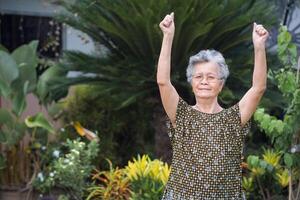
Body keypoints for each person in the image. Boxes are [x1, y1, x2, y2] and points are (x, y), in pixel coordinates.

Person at [156, 12, 269, 199]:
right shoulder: (182, 115)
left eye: (211, 77)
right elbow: (163, 82)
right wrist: (168, 37)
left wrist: (259, 47)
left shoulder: (234, 118)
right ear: (191, 83)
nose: (204, 81)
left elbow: (258, 88)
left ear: (221, 84)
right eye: (198, 77)